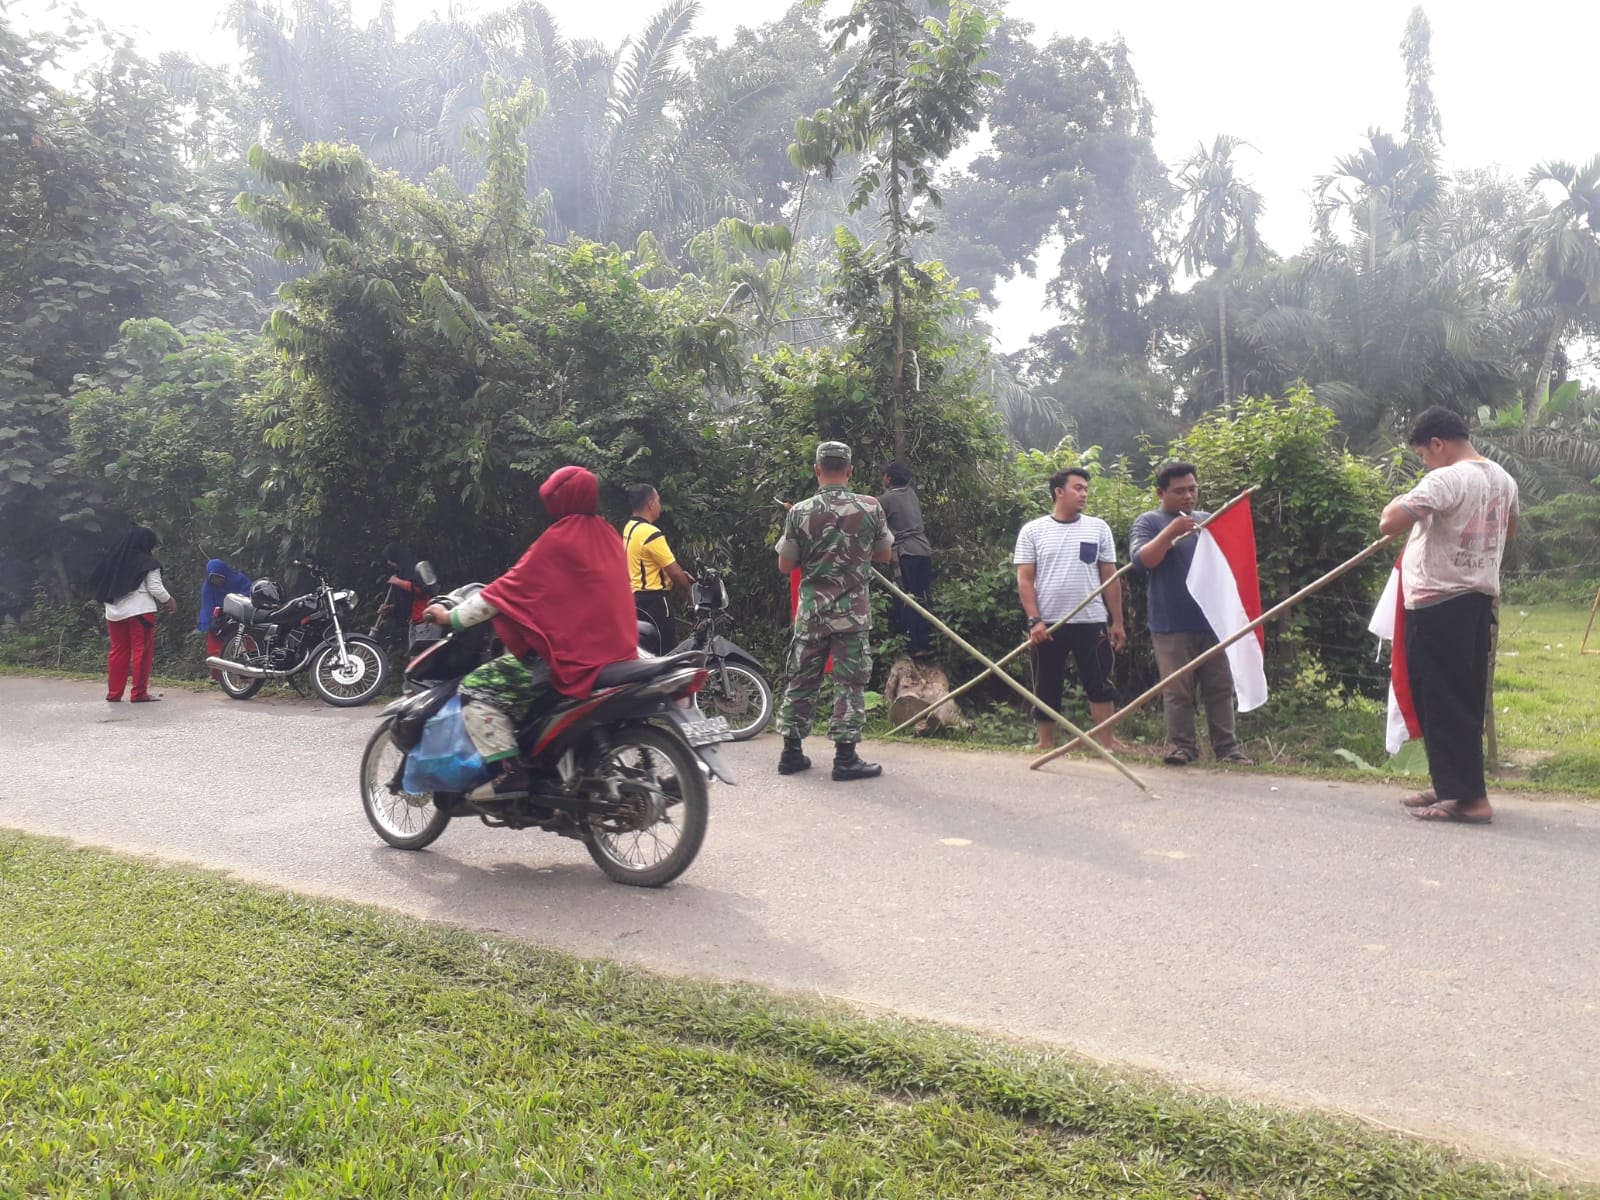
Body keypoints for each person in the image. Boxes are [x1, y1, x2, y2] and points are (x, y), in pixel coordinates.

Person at [423, 466, 638, 802]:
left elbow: (505, 591)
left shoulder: (559, 538)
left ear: (558, 500)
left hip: (572, 658)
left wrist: (450, 618)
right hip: (617, 652)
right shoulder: (609, 535)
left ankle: (509, 773)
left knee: (474, 688)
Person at [1379, 406, 1517, 825]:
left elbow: (1389, 523)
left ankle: (1471, 800)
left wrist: (1404, 499)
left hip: (1440, 602)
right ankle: (1450, 787)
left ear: (1437, 444)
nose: (1425, 462)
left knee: (1443, 700)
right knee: (1457, 697)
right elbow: (1510, 529)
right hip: (1474, 600)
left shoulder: (1447, 478)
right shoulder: (1503, 478)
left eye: (1423, 454)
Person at [774, 441, 894, 781]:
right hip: (852, 614)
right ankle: (845, 759)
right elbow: (885, 555)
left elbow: (786, 565)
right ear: (850, 469)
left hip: (812, 612)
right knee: (850, 684)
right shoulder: (870, 508)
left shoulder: (799, 511)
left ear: (817, 468)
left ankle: (791, 753)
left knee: (802, 679)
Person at [1129, 462, 1254, 765]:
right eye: (1179, 491)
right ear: (1161, 492)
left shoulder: (1208, 520)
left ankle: (1228, 749)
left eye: (1192, 489)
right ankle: (1183, 747)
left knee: (1220, 686)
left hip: (1213, 621)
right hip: (1171, 624)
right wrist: (1171, 532)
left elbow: (1230, 560)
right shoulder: (1149, 522)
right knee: (1177, 690)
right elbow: (1142, 561)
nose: (1188, 496)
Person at [1014, 467, 1127, 751]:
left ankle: (1106, 745)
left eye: (1086, 489)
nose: (1084, 494)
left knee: (1100, 682)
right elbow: (1025, 579)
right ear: (1059, 492)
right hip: (1048, 623)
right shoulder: (1033, 530)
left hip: (1091, 621)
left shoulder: (1098, 528)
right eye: (1078, 488)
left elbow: (1110, 577)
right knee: (1046, 684)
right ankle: (1045, 743)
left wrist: (1117, 622)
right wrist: (1034, 620)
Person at [88, 524, 176, 703]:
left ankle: (114, 693)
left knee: (118, 651)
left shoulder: (113, 560)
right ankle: (139, 693)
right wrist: (170, 601)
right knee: (141, 652)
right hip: (140, 612)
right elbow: (155, 588)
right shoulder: (147, 562)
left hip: (114, 612)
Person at [622, 483, 694, 652]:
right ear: (651, 504)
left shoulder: (630, 528)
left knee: (646, 653)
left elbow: (643, 564)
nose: (659, 506)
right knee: (664, 651)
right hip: (656, 603)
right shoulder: (650, 533)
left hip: (636, 600)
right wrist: (691, 592)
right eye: (658, 501)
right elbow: (675, 573)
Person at [878, 461, 933, 658]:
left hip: (906, 553)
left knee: (906, 597)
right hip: (923, 550)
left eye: (884, 475)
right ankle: (927, 642)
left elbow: (871, 515)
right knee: (922, 595)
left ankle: (913, 645)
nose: (883, 478)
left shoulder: (886, 500)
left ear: (889, 479)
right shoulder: (911, 494)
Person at [197, 557, 252, 682]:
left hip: (239, 616)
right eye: (213, 578)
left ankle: (244, 675)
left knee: (242, 646)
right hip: (218, 620)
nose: (216, 581)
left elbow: (249, 593)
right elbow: (208, 607)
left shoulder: (239, 579)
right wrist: (216, 620)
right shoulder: (208, 588)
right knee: (217, 649)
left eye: (219, 577)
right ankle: (217, 676)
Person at [378, 543, 433, 637]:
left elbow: (419, 589)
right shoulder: (402, 572)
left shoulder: (415, 568)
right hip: (414, 623)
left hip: (426, 620)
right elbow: (407, 600)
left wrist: (398, 582)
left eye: (390, 559)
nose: (389, 563)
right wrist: (391, 608)